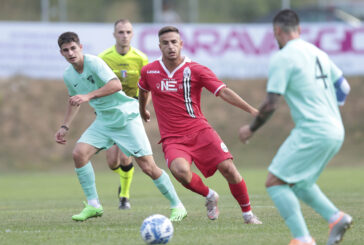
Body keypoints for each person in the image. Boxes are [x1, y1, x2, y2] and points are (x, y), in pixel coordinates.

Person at [239, 9, 352, 245]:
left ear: (277, 32)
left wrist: (251, 128)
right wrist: (328, 107)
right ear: (299, 30)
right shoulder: (317, 52)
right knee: (301, 183)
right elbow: (344, 88)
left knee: (275, 182)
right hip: (335, 130)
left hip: (313, 130)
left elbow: (271, 103)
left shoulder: (283, 57)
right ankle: (336, 217)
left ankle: (302, 239)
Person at [55, 31, 187, 222]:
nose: (70, 53)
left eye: (73, 48)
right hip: (104, 120)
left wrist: (89, 96)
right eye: (66, 50)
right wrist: (64, 126)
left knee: (148, 167)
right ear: (61, 53)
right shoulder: (68, 75)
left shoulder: (94, 63)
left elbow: (116, 85)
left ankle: (177, 206)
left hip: (126, 117)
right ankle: (93, 205)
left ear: (80, 48)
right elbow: (74, 100)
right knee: (79, 154)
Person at [138, 26, 262, 224]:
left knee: (228, 169)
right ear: (159, 46)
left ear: (181, 44)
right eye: (165, 43)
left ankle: (248, 214)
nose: (170, 46)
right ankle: (210, 195)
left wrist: (252, 110)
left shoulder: (195, 70)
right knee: (180, 172)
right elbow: (144, 90)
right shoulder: (149, 70)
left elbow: (223, 91)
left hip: (200, 131)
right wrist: (142, 108)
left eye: (174, 42)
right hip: (173, 138)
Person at [99, 19, 148, 210]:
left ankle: (124, 197)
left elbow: (146, 88)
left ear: (132, 35)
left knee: (126, 157)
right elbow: (98, 85)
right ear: (114, 35)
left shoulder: (141, 58)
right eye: (120, 32)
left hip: (131, 111)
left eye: (128, 32)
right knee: (112, 162)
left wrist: (143, 108)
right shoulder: (103, 57)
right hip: (110, 112)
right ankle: (123, 180)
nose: (124, 36)